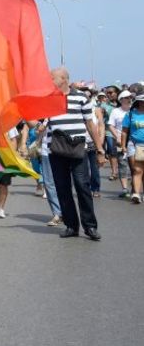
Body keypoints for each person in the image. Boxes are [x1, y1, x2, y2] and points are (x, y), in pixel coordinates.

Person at [46, 68, 102, 240]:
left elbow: (90, 124)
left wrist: (100, 148)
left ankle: (90, 226)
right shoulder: (47, 99)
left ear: (63, 79)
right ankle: (71, 226)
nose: (49, 80)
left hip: (78, 149)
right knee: (63, 189)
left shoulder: (80, 97)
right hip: (56, 150)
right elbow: (37, 123)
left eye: (52, 77)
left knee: (82, 186)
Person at [109, 91, 133, 198]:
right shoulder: (115, 111)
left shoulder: (135, 110)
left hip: (134, 141)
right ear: (121, 99)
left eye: (130, 97)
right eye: (126, 97)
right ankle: (124, 189)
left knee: (136, 167)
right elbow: (110, 125)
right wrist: (117, 137)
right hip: (120, 141)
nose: (128, 99)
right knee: (123, 165)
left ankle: (135, 188)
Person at [122, 94, 144, 203]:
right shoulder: (131, 114)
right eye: (142, 101)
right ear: (138, 102)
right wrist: (123, 146)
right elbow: (124, 131)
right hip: (134, 144)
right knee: (136, 169)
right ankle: (136, 193)